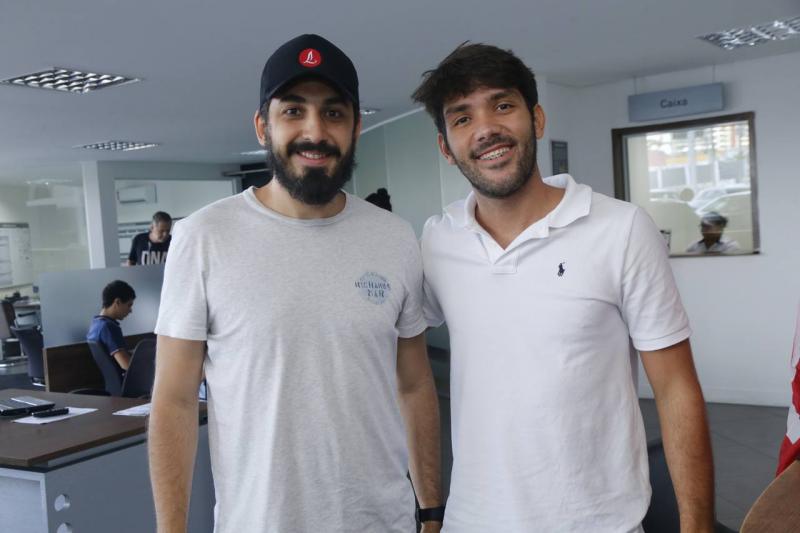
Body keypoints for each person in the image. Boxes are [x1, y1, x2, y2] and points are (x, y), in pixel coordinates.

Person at [412, 43, 714, 532]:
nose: (486, 128)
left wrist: (696, 526)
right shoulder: (437, 241)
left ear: (536, 119)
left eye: (502, 105)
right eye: (462, 118)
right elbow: (400, 365)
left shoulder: (621, 228)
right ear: (446, 147)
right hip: (473, 521)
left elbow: (676, 388)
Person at [149, 34, 442, 533]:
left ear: (355, 127)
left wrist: (431, 509)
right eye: (293, 111)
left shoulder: (394, 237)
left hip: (382, 521)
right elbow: (174, 401)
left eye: (333, 113)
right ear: (262, 126)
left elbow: (414, 383)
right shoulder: (204, 237)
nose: (315, 131)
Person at [86, 280, 136, 379]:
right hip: (127, 384)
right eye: (129, 305)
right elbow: (126, 365)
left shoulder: (96, 324)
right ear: (117, 302)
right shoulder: (109, 327)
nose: (130, 310)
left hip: (113, 384)